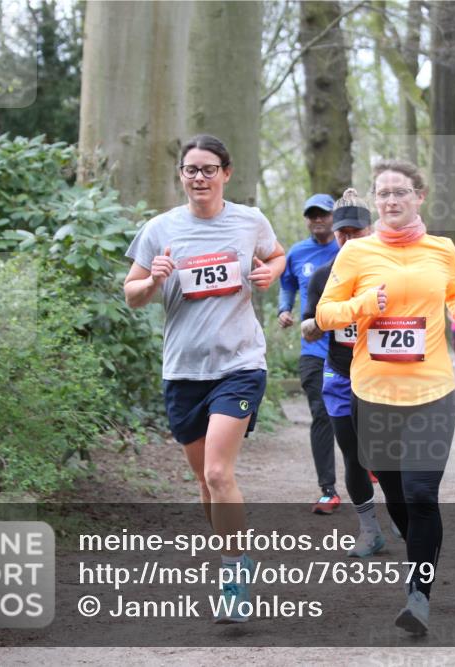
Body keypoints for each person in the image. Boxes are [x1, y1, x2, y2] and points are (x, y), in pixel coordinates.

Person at [123, 134, 286, 622]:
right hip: (184, 370)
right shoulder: (160, 229)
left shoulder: (248, 221)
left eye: (208, 169)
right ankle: (232, 553)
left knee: (218, 472)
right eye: (191, 170)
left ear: (226, 173)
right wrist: (153, 280)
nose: (199, 178)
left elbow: (277, 254)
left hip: (239, 363)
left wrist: (271, 273)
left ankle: (235, 572)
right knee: (202, 480)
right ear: (181, 175)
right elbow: (131, 295)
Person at [316, 159, 455, 636]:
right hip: (374, 392)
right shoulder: (355, 255)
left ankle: (418, 597)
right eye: (382, 194)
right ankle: (416, 544)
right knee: (398, 494)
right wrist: (365, 305)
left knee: (423, 494)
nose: (390, 201)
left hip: (431, 390)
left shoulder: (442, 249)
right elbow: (326, 314)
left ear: (419, 196)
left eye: (399, 192)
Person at [299, 189, 385, 557]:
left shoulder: (388, 271)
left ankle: (400, 511)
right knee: (351, 454)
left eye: (356, 233)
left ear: (372, 231)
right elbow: (309, 324)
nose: (348, 240)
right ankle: (369, 529)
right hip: (340, 374)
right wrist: (316, 325)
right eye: (342, 234)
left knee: (386, 457)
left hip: (384, 377)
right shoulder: (322, 277)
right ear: (334, 235)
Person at [279, 193, 342, 514]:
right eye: (312, 215)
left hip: (350, 347)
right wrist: (284, 308)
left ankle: (370, 461)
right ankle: (327, 490)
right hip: (313, 348)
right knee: (321, 413)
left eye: (324, 215)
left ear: (334, 218)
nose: (318, 220)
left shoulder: (349, 249)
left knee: (358, 415)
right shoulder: (297, 252)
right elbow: (286, 283)